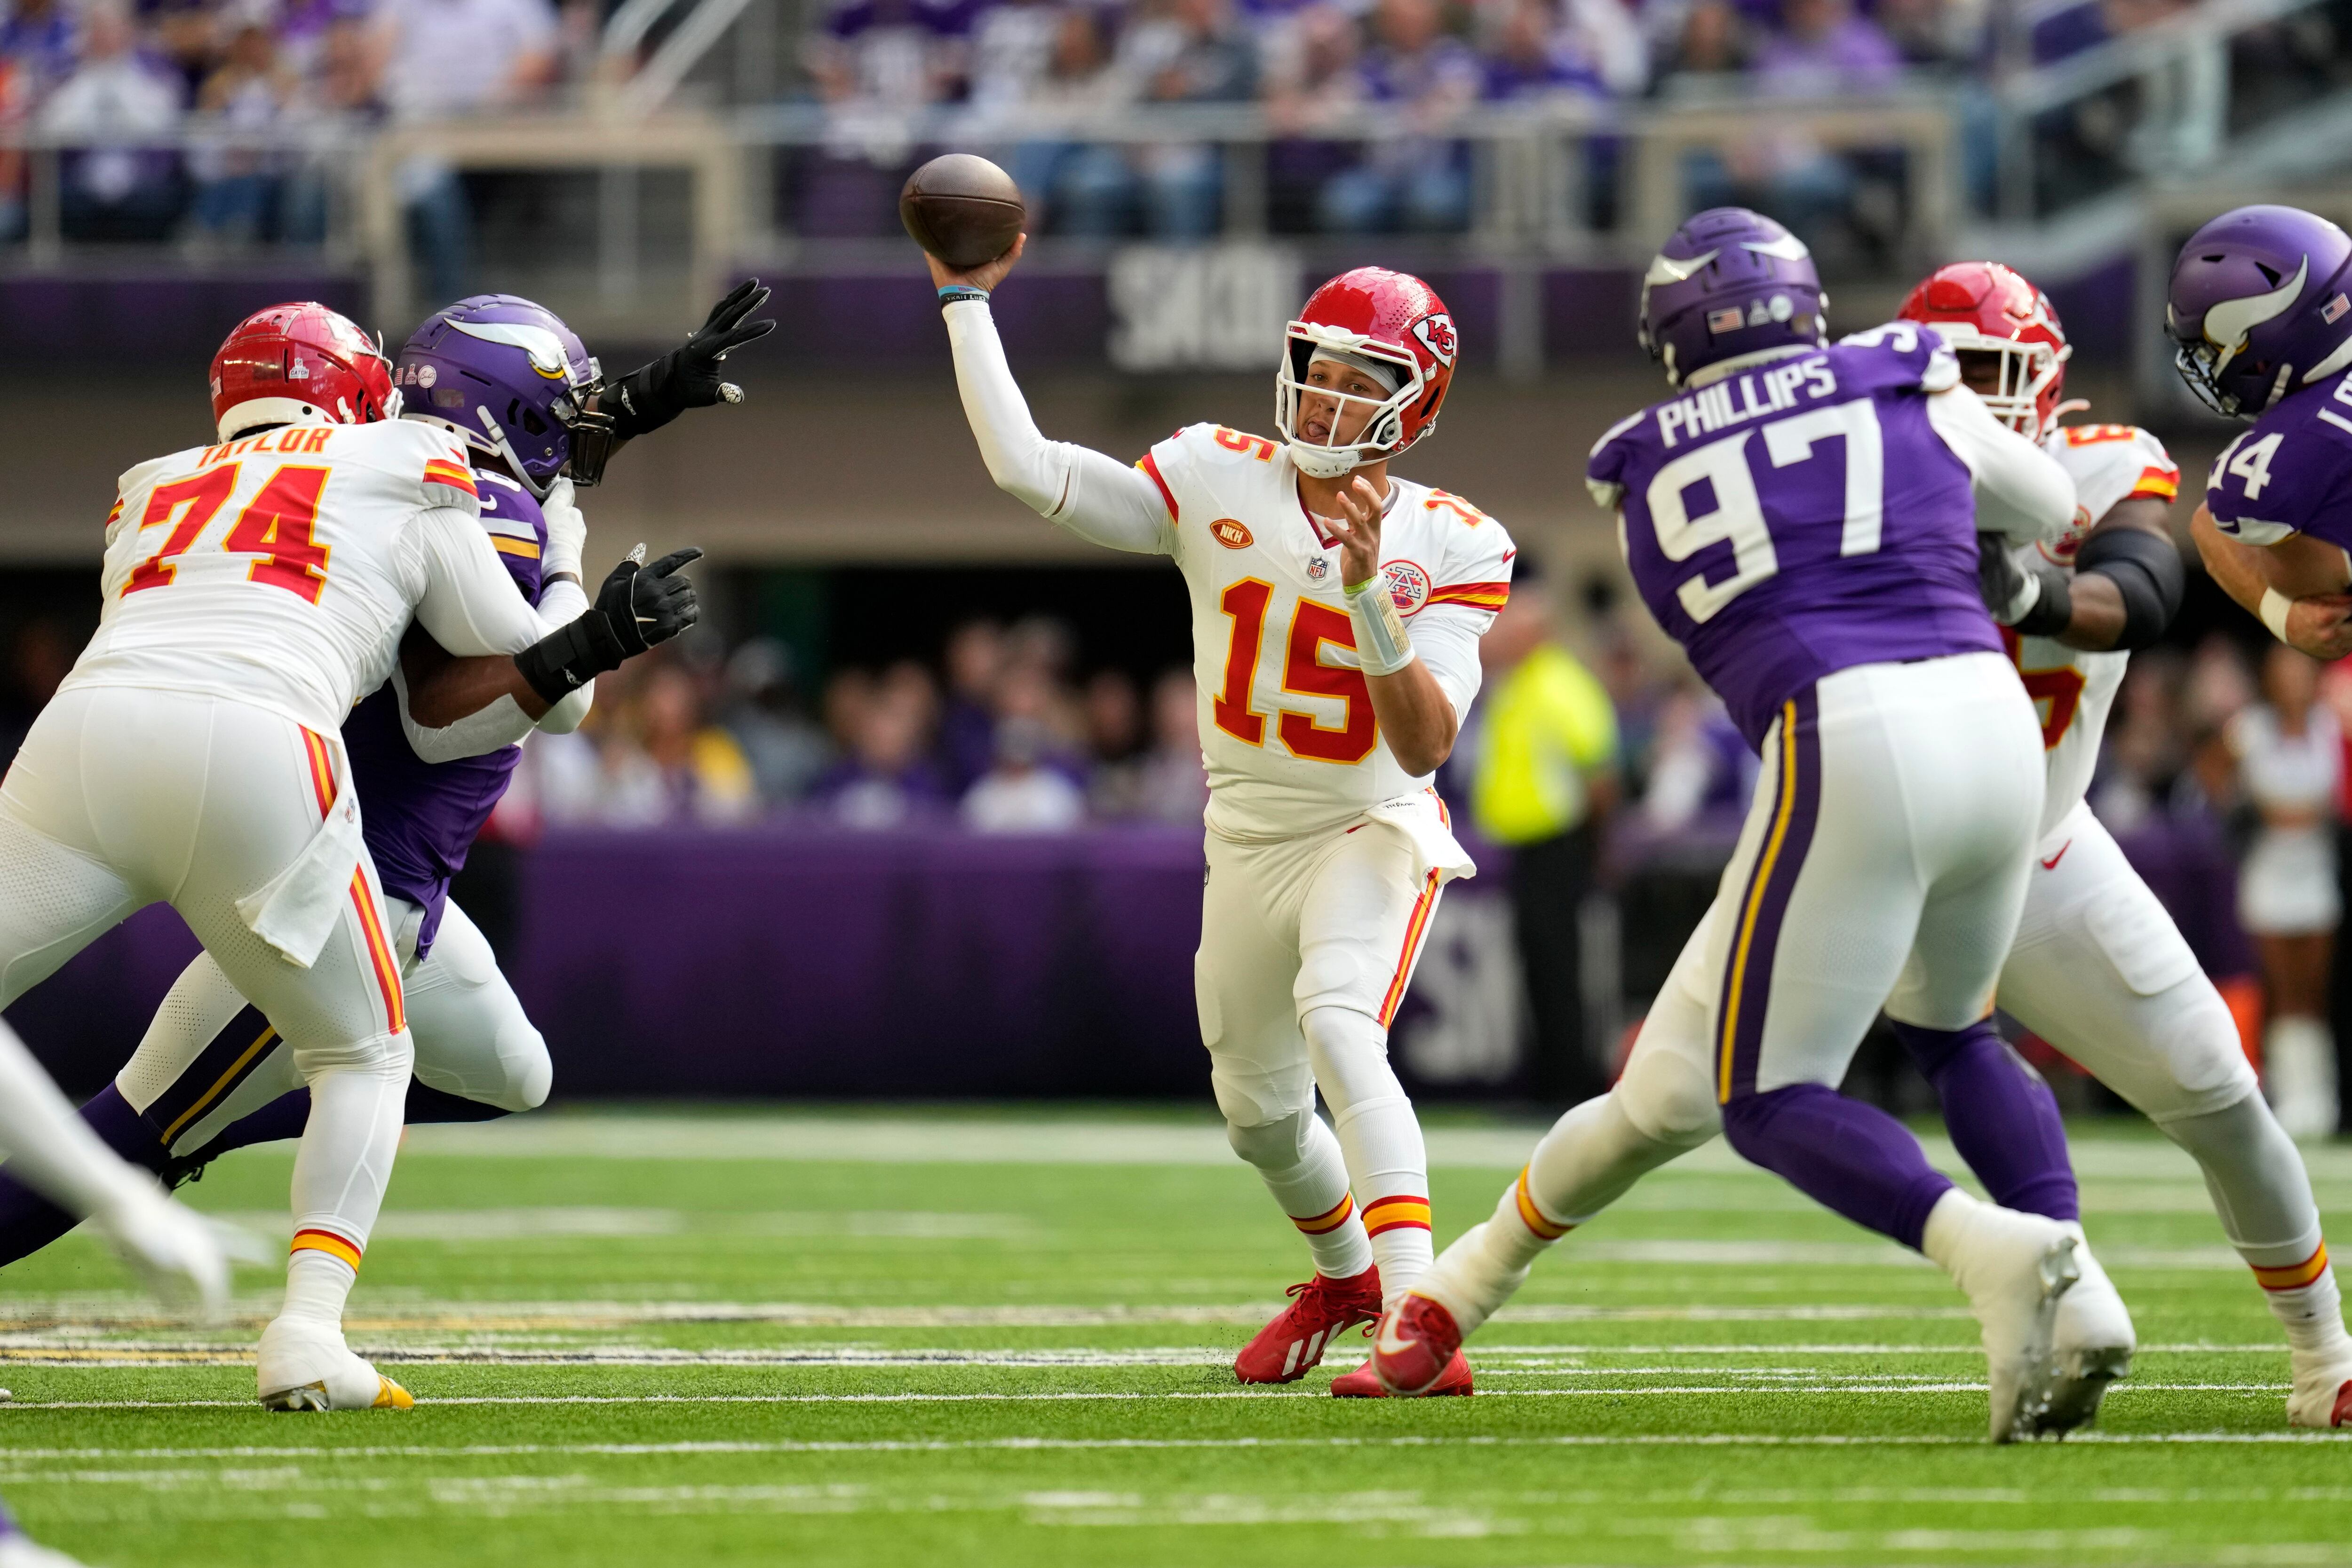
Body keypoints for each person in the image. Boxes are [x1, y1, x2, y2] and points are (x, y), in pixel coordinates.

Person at [1369, 210, 2099, 1445]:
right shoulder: (1903, 370)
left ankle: (1999, 1257)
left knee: (1761, 1094)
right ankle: (1451, 1293)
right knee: (1923, 1037)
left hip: (1844, 738)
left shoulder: (1637, 467)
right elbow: (2050, 500)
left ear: (1674, 337)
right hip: (1990, 714)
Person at [0, 297, 724, 1410]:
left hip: (91, 732)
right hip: (287, 805)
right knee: (255, 1090)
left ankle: (241, 1127)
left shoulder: (156, 479)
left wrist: (634, 411)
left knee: (510, 1072)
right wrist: (590, 607)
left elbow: (521, 477)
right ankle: (305, 1328)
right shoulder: (416, 468)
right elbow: (505, 690)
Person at [931, 234, 1512, 1395]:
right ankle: (1345, 1276)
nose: (1330, 394)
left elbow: (1425, 743)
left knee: (1342, 1022)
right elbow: (1029, 471)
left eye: (1364, 378)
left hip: (1369, 822)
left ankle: (1415, 1313)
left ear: (1416, 407)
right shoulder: (1213, 472)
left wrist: (1364, 598)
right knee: (1255, 1113)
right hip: (1246, 832)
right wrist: (964, 302)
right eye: (1320, 365)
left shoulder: (1451, 539)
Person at [1466, 568, 1620, 1103]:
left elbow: (1598, 776)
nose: (1500, 639)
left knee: (1558, 969)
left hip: (1559, 846)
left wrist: (1595, 850)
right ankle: (1548, 1082)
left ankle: (1567, 1086)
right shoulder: (1523, 685)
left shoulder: (1559, 685)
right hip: (1530, 848)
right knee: (1537, 966)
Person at [2231, 645, 2343, 1139]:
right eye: (2283, 674)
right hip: (2267, 876)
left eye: (2301, 673)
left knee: (2310, 993)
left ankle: (2320, 1100)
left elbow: (2333, 798)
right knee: (2278, 991)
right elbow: (2219, 784)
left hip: (2315, 875)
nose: (2293, 682)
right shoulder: (2248, 730)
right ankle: (2288, 1097)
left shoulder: (2329, 726)